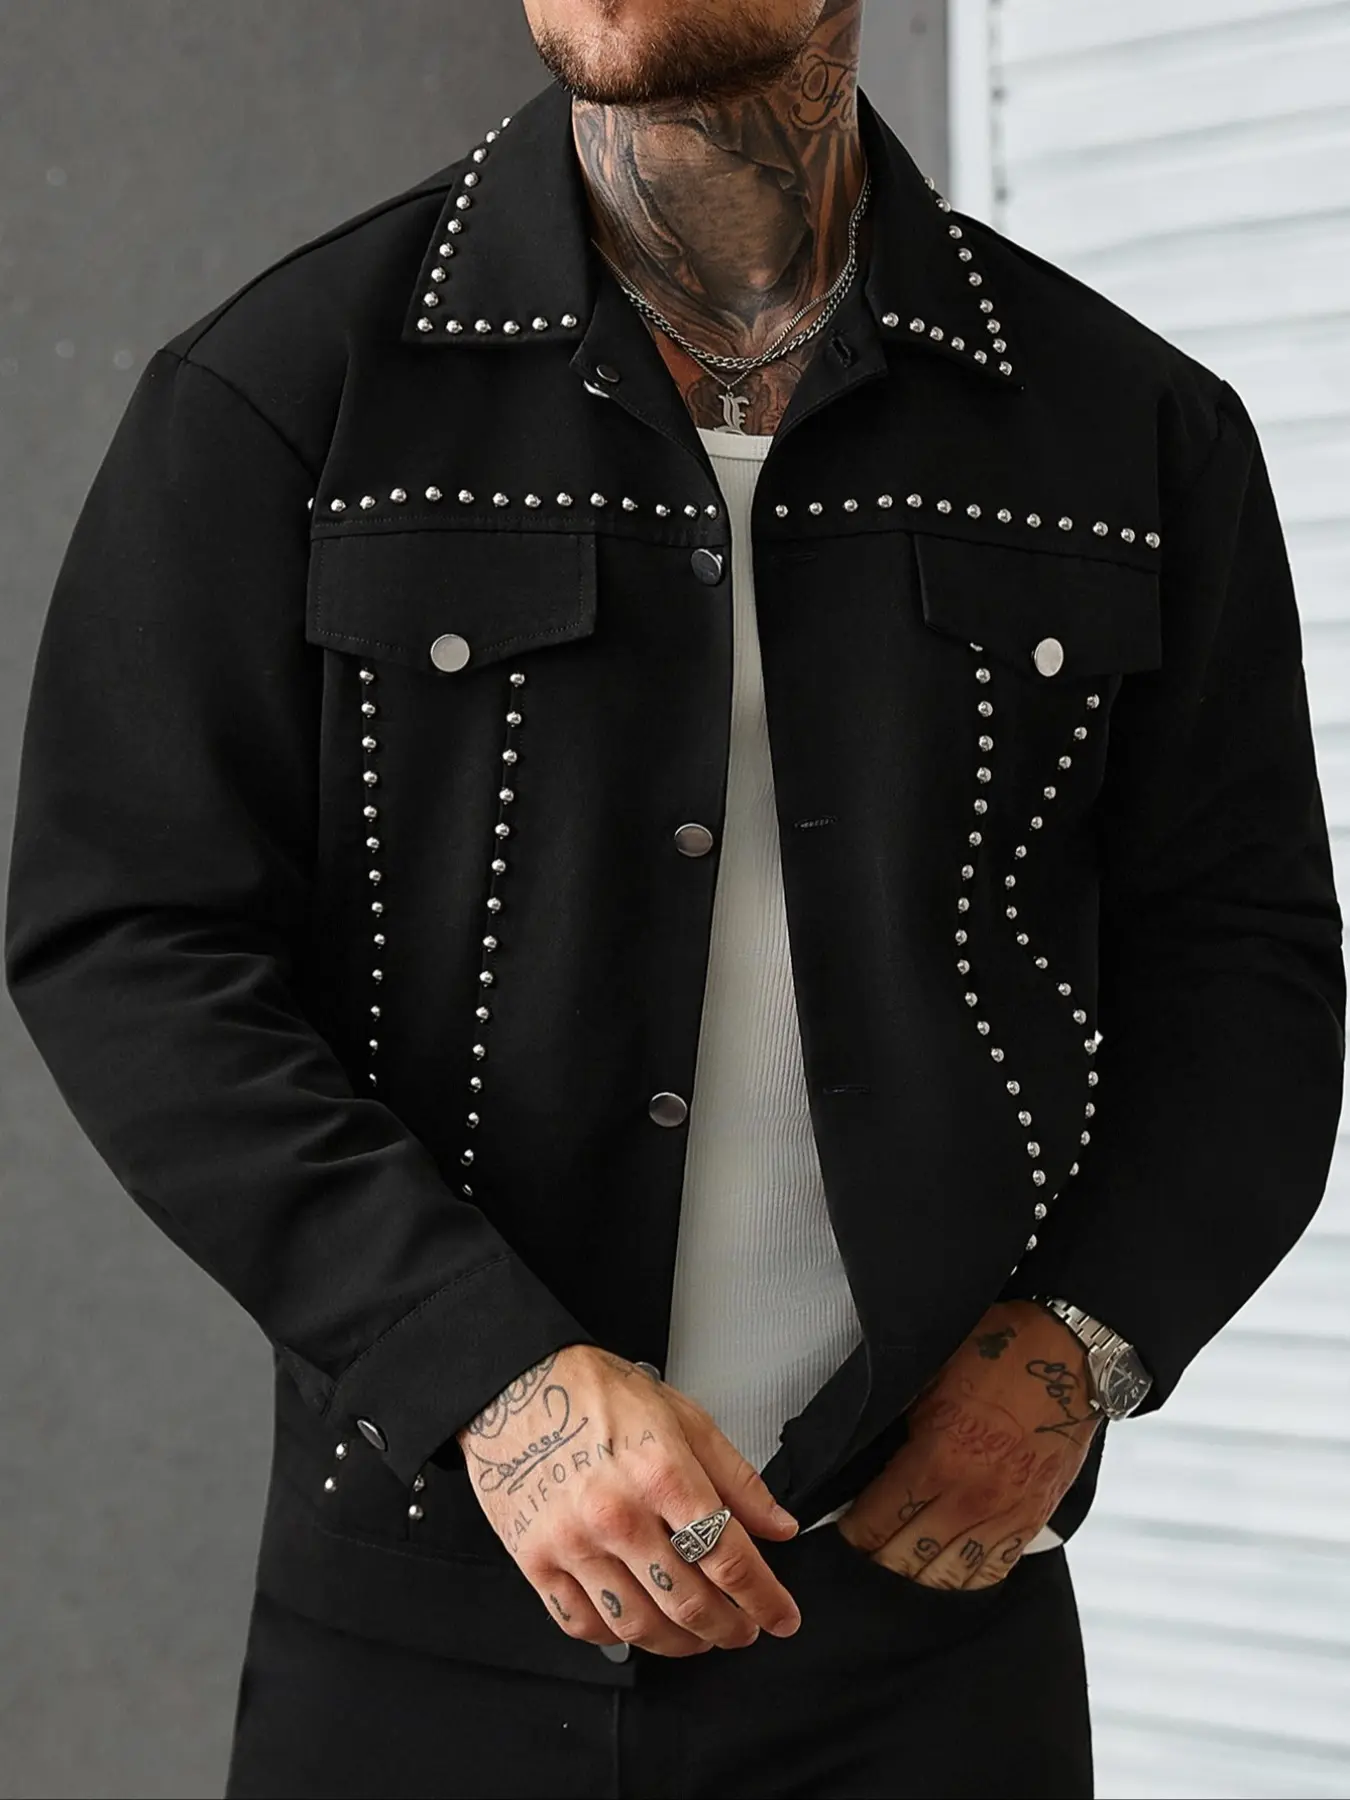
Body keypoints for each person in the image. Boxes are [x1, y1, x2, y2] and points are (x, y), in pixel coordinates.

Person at [6, 1, 1344, 1794]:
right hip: (427, 1628)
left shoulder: (1126, 431)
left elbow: (1245, 964)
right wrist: (480, 1369)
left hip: (928, 1627)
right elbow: (130, 939)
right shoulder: (291, 392)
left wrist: (1081, 1342)